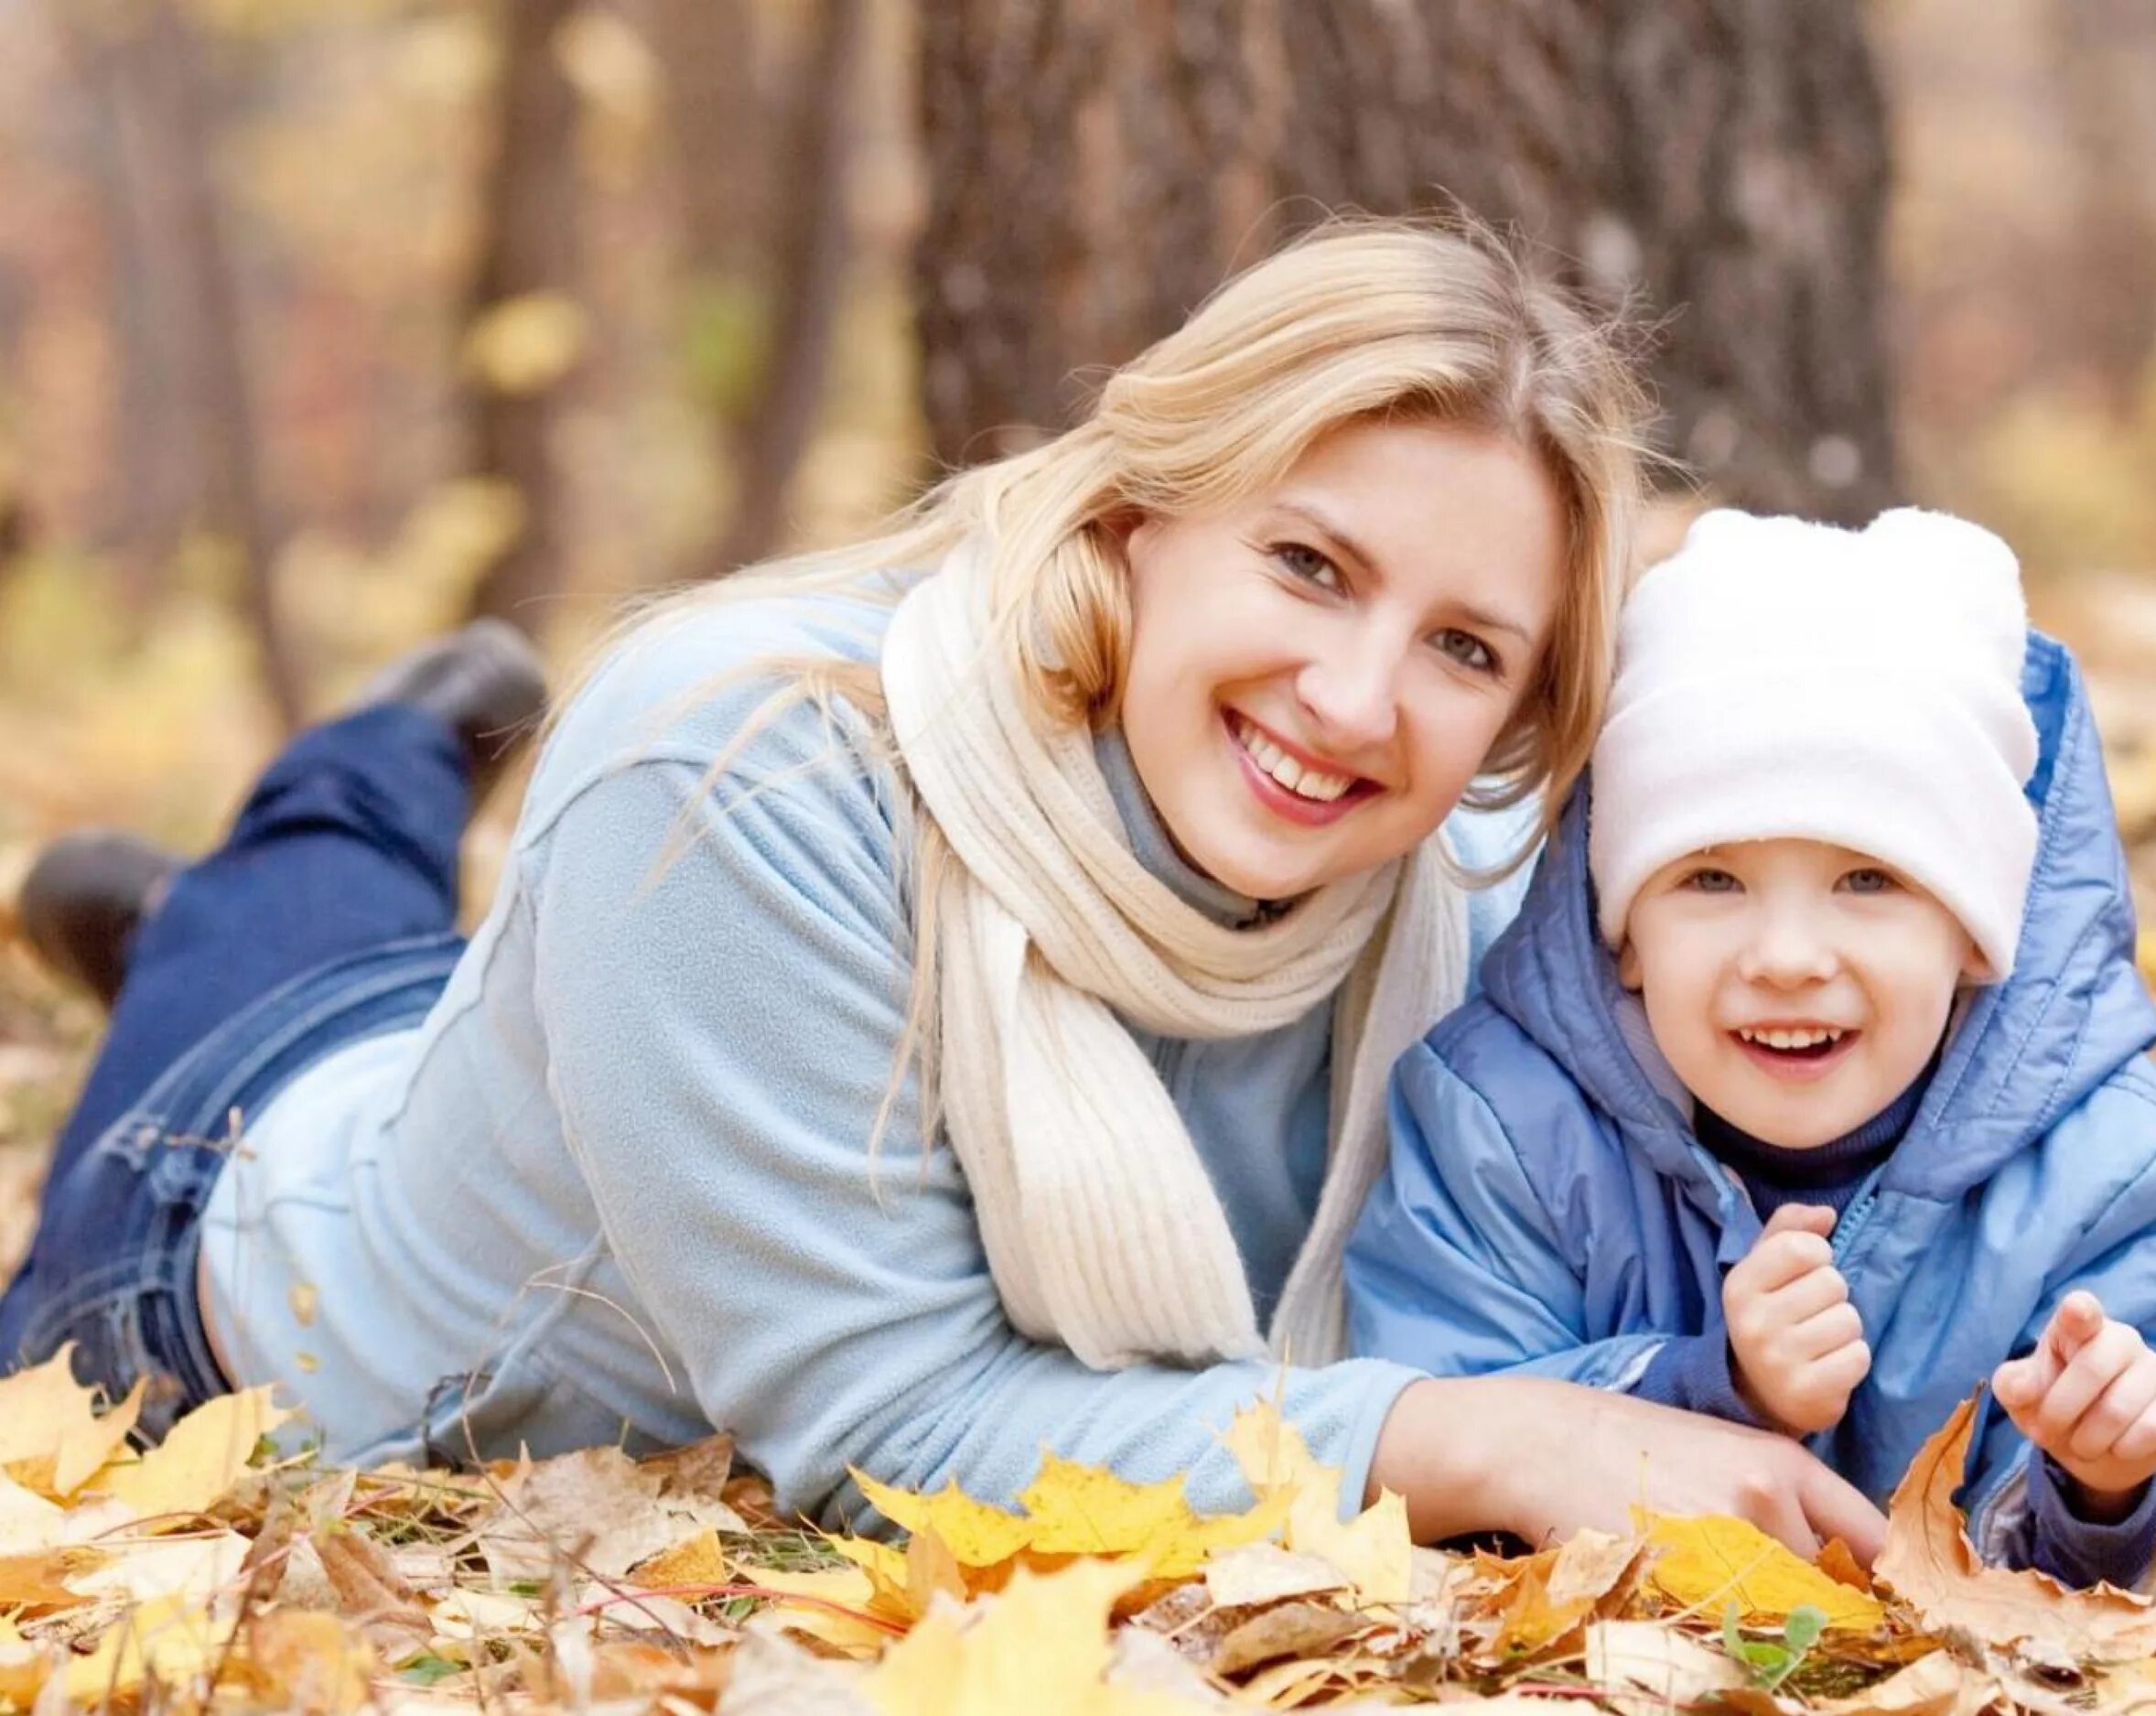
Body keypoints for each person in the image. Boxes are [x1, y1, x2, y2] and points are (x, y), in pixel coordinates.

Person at [0, 219, 1909, 1563]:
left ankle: (296, 852)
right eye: (1311, 565)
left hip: (582, 1061)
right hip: (241, 1261)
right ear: (1144, 508)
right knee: (289, 911)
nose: (1356, 702)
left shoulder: (1458, 861)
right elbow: (902, 1432)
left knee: (387, 963)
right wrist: (1493, 1432)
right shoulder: (739, 775)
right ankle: (365, 777)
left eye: (1465, 649)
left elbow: (1786, 1138)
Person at [1347, 508, 2156, 1590]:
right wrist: (1711, 1383)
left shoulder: (2112, 1167)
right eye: (1710, 879)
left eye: (1868, 880)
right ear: (1624, 931)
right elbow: (1441, 1416)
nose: (1786, 956)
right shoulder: (1504, 1126)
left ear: (1975, 932)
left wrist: (2112, 1482)